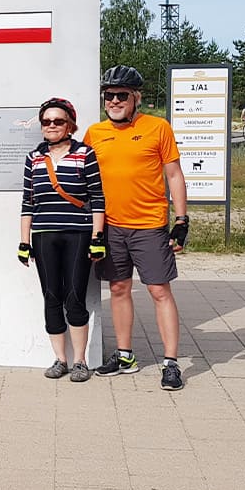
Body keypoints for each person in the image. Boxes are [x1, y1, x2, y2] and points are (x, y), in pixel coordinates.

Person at [84, 65, 188, 391]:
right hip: (111, 227)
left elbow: (173, 174)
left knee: (159, 291)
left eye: (121, 95)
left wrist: (181, 220)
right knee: (118, 289)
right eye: (109, 95)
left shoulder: (158, 128)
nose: (114, 101)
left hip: (149, 226)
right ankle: (125, 355)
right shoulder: (94, 133)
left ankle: (171, 363)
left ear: (135, 98)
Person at [18, 98, 105, 383]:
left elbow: (97, 200)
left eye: (58, 121)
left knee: (75, 296)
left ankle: (80, 361)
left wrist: (97, 237)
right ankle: (60, 359)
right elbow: (28, 203)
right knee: (51, 296)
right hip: (44, 235)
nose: (52, 126)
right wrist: (23, 241)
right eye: (46, 121)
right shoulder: (33, 158)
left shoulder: (85, 154)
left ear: (70, 125)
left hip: (78, 234)